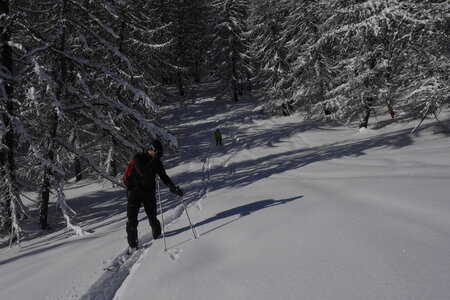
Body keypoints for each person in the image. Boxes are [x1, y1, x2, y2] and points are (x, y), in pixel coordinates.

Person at [126, 139, 183, 251]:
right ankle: (133, 246)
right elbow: (142, 172)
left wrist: (173, 187)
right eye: (158, 154)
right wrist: (154, 161)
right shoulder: (138, 157)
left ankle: (158, 239)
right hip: (134, 191)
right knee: (132, 220)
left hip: (148, 192)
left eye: (160, 155)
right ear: (151, 150)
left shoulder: (156, 160)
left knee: (153, 217)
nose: (159, 157)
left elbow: (164, 176)